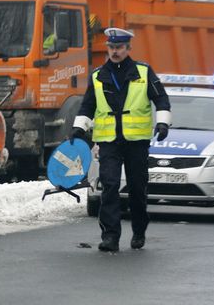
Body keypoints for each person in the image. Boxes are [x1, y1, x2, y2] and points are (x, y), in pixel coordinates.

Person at [70, 27, 171, 252]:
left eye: (119, 47)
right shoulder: (98, 76)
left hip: (136, 142)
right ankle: (110, 236)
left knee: (136, 188)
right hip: (109, 142)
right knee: (110, 186)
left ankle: (138, 230)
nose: (115, 51)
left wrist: (163, 122)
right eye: (112, 47)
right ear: (107, 48)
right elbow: (88, 105)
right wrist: (78, 128)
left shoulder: (144, 73)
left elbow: (161, 98)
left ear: (128, 48)